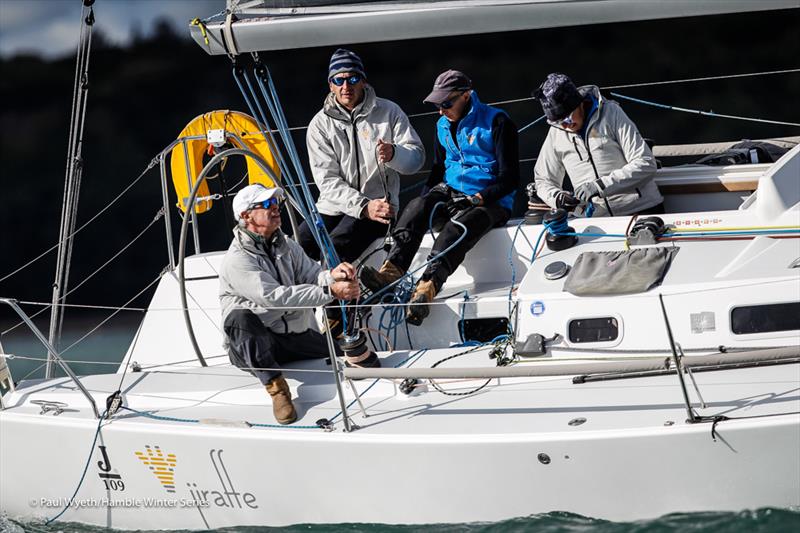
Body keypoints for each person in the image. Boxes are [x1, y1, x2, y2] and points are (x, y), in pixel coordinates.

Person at [360, 70, 519, 326]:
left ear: (466, 96)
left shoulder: (498, 122)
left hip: (491, 201)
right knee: (417, 206)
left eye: (446, 104)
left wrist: (477, 198)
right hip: (453, 191)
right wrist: (427, 202)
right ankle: (390, 273)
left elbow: (510, 178)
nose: (441, 110)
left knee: (455, 229)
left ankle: (425, 290)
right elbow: (438, 169)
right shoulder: (442, 125)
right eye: (437, 105)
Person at [219, 184, 381, 425]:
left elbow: (313, 274)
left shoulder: (285, 244)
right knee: (240, 319)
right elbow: (273, 298)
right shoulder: (237, 259)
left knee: (341, 355)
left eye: (276, 204)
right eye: (265, 205)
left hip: (290, 337)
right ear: (246, 216)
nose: (275, 209)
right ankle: (277, 389)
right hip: (254, 343)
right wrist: (330, 292)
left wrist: (334, 275)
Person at [297, 48, 425, 263]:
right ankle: (300, 295)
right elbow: (327, 181)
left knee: (334, 250)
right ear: (330, 85)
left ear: (363, 81)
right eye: (339, 80)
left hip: (379, 207)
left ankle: (339, 296)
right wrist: (362, 206)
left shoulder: (389, 111)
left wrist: (395, 153)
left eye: (352, 78)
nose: (346, 86)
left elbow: (417, 159)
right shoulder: (319, 125)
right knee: (296, 246)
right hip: (334, 206)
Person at [532, 73, 663, 217]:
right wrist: (558, 198)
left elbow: (646, 163)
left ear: (579, 102)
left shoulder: (612, 113)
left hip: (640, 210)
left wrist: (600, 186)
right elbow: (543, 180)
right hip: (595, 221)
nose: (565, 125)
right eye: (557, 121)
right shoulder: (556, 132)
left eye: (568, 116)